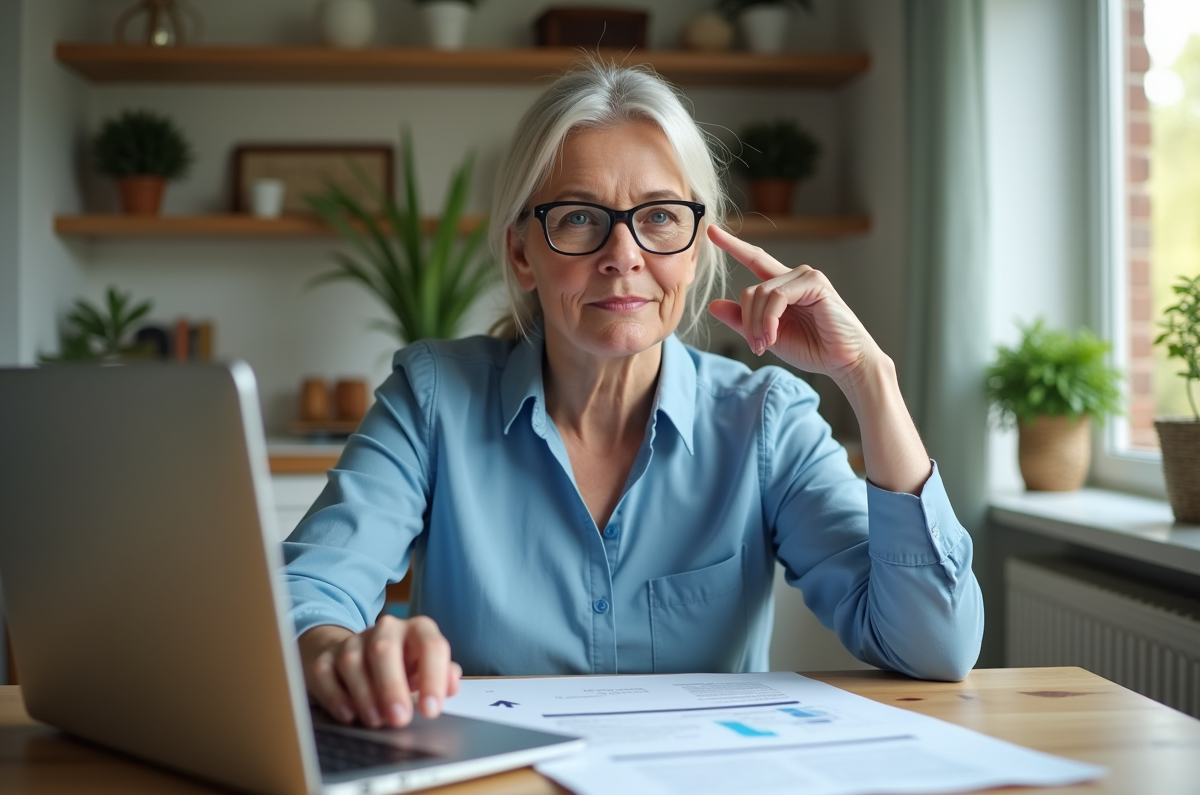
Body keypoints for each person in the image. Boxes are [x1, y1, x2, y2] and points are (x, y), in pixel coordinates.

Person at [282, 61, 984, 732]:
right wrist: (336, 652)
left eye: (658, 217)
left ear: (696, 250)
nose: (624, 255)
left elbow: (934, 647)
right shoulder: (433, 399)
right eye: (581, 218)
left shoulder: (765, 421)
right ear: (523, 253)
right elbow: (307, 594)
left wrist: (870, 378)